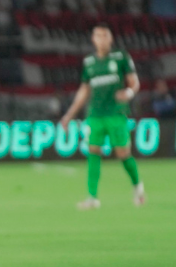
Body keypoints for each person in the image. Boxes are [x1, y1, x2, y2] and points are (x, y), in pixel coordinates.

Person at [58, 23, 145, 210]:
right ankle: (92, 197)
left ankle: (137, 186)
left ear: (111, 39)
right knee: (93, 150)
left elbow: (134, 82)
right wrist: (69, 115)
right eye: (98, 36)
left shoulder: (120, 57)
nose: (102, 39)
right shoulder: (89, 62)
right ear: (93, 39)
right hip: (95, 114)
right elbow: (84, 90)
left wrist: (129, 93)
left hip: (116, 114)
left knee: (122, 154)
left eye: (105, 36)